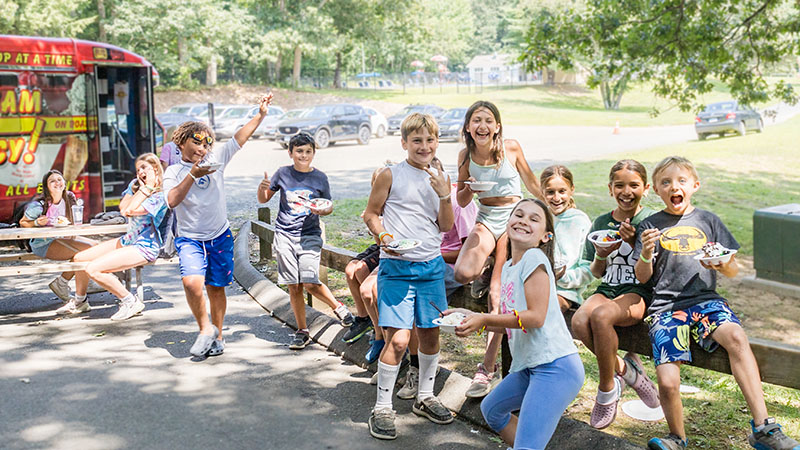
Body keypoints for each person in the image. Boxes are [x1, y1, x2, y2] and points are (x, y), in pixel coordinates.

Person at [634, 156, 800, 450]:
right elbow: (643, 277)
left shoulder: (708, 220)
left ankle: (763, 428)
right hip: (666, 308)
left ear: (694, 185)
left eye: (681, 181)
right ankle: (677, 437)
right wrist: (646, 253)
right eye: (666, 182)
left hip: (706, 301)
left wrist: (722, 265)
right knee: (669, 380)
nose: (674, 187)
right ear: (656, 190)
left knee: (736, 336)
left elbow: (733, 269)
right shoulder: (650, 224)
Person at [445, 198, 584, 449]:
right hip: (530, 366)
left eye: (534, 219)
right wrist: (471, 319)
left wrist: (485, 318)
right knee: (492, 409)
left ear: (545, 236)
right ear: (508, 223)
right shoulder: (509, 266)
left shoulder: (534, 259)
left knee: (528, 445)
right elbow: (513, 322)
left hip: (555, 366)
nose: (523, 220)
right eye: (518, 215)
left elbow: (535, 318)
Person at [363, 113, 455, 440]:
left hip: (430, 268)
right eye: (417, 140)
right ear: (404, 143)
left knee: (430, 336)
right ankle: (382, 407)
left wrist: (446, 194)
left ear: (437, 143)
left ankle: (425, 397)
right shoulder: (390, 175)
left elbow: (445, 226)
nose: (424, 146)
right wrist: (385, 239)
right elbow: (371, 214)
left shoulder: (441, 177)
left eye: (430, 140)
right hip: (396, 268)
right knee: (399, 340)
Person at [164, 93, 273, 358]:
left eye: (207, 143)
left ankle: (218, 335)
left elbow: (239, 138)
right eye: (197, 141)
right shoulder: (174, 172)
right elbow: (172, 201)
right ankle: (204, 329)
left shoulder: (217, 161)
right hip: (190, 239)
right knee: (191, 283)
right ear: (181, 142)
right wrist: (193, 174)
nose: (203, 148)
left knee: (215, 288)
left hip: (219, 236)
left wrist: (260, 114)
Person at [453, 100, 543, 399]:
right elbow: (464, 200)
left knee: (496, 295)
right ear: (468, 126)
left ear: (498, 125)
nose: (482, 126)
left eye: (488, 120)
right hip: (486, 216)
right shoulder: (465, 155)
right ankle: (493, 263)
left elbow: (530, 182)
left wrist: (552, 209)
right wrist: (468, 186)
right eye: (476, 120)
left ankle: (486, 368)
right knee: (464, 272)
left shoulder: (511, 148)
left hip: (514, 218)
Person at [570, 159, 660, 429]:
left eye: (634, 185)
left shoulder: (651, 221)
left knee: (599, 317)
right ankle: (627, 371)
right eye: (619, 185)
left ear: (645, 188)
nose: (626, 191)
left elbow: (651, 274)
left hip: (637, 292)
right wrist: (600, 254)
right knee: (577, 322)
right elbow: (597, 273)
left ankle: (607, 389)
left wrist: (635, 243)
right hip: (608, 288)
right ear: (610, 189)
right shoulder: (602, 222)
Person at [257, 132, 355, 350]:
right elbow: (263, 199)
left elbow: (327, 206)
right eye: (299, 151)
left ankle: (339, 308)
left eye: (308, 151)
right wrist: (262, 186)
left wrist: (324, 209)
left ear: (313, 153)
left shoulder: (320, 178)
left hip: (309, 235)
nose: (303, 155)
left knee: (310, 281)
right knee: (294, 286)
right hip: (285, 235)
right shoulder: (282, 173)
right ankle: (302, 331)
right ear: (291, 152)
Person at [396, 170, 479, 401]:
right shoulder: (419, 202)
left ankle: (419, 373)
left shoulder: (457, 205)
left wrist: (432, 255)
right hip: (426, 262)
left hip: (448, 267)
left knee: (416, 308)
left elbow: (467, 253)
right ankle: (398, 358)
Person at [67, 153, 168, 320]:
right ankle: (80, 301)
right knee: (79, 259)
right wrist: (142, 188)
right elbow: (123, 208)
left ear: (155, 169)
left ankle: (130, 301)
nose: (140, 172)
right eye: (137, 169)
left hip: (144, 245)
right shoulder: (135, 185)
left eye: (144, 168)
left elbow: (131, 209)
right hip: (127, 240)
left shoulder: (160, 196)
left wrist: (148, 187)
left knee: (93, 268)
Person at [19, 170, 96, 302]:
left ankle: (85, 281)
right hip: (43, 243)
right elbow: (23, 222)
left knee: (95, 247)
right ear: (47, 187)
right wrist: (36, 222)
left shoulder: (69, 198)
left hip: (64, 238)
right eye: (52, 181)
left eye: (59, 179)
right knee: (85, 253)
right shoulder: (39, 205)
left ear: (65, 183)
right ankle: (62, 283)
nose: (57, 183)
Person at [342, 167, 389, 347]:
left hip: (386, 248)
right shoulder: (375, 205)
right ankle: (364, 318)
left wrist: (373, 228)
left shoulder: (394, 206)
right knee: (350, 269)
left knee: (362, 272)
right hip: (379, 247)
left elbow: (383, 245)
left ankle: (378, 326)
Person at [539, 165, 593, 312]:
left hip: (565, 293)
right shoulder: (539, 218)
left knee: (546, 309)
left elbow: (589, 269)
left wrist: (562, 277)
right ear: (542, 192)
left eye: (562, 191)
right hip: (535, 287)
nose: (556, 198)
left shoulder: (580, 221)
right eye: (550, 192)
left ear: (572, 190)